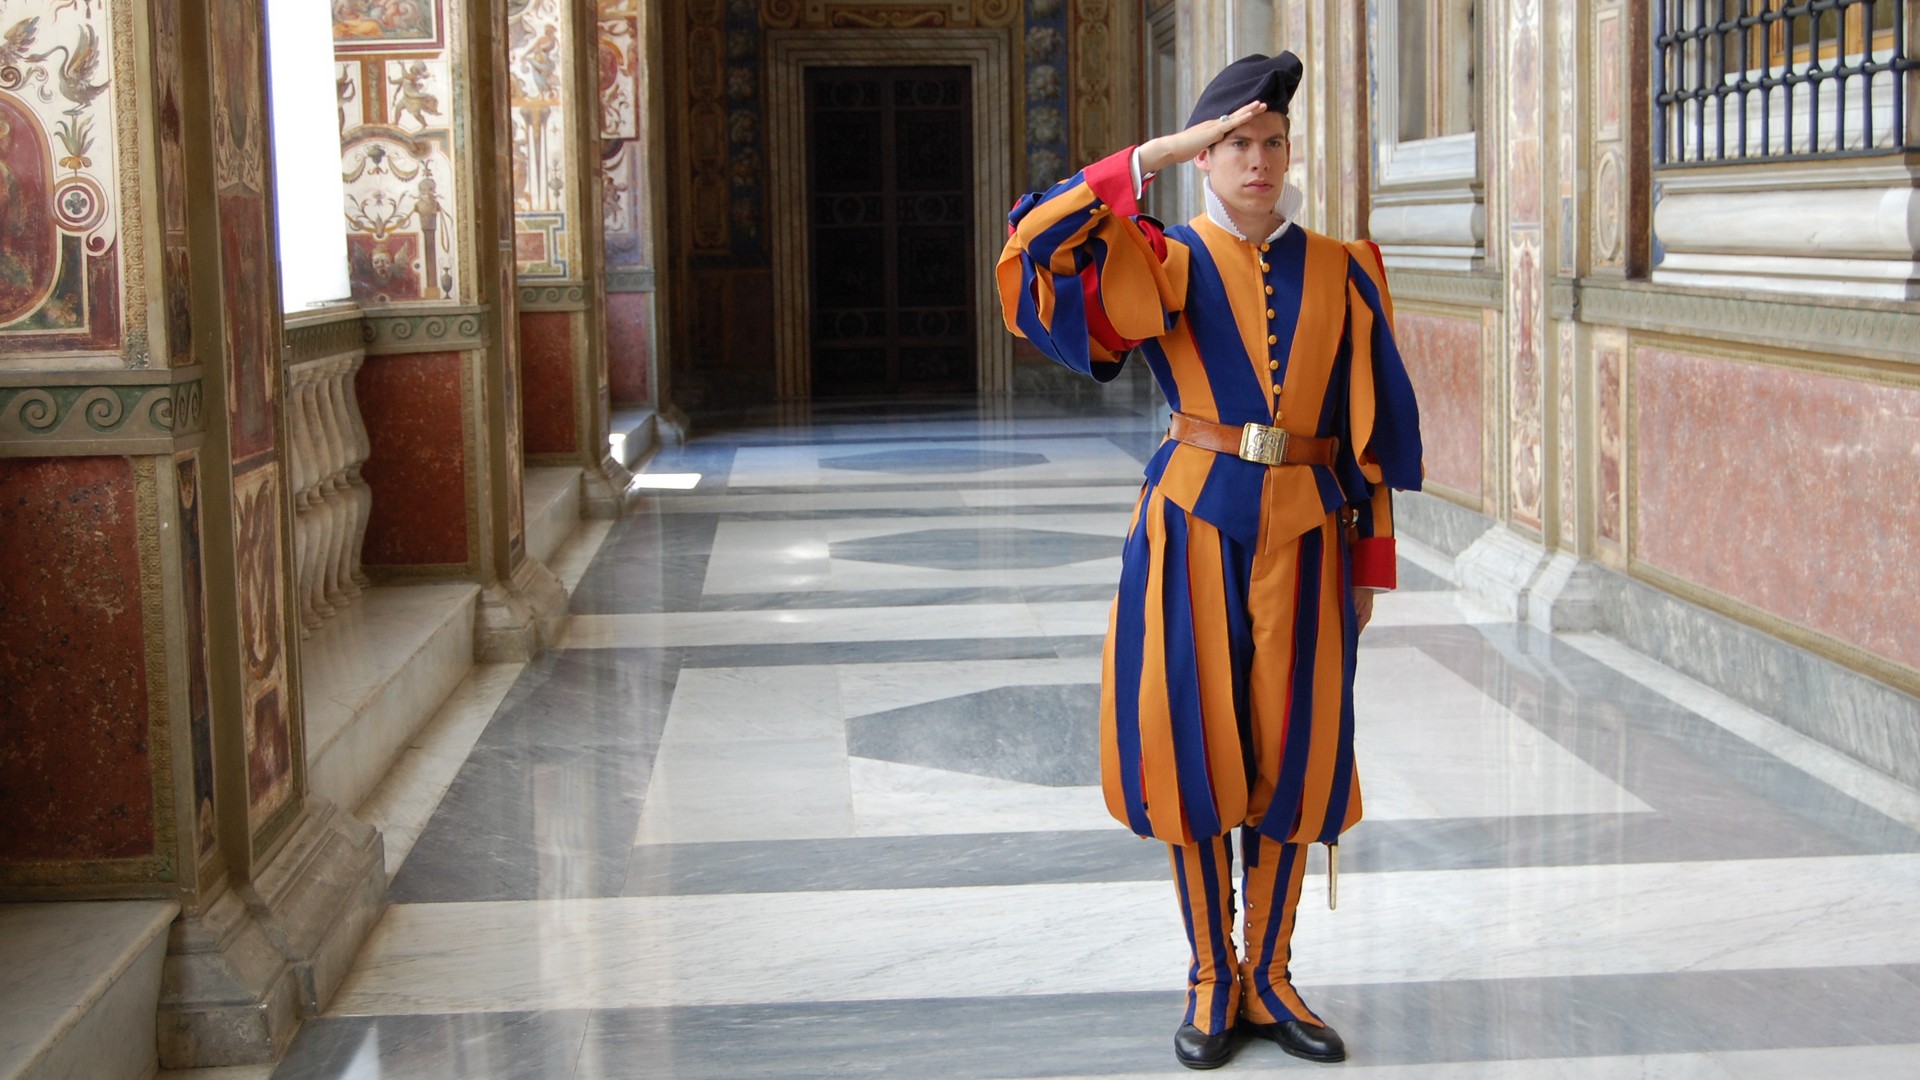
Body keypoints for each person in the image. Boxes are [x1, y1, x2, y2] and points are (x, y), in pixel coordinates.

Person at [995, 52, 1422, 1069]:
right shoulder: (1162, 260)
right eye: (1236, 143)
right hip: (1190, 527)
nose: (1260, 161)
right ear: (1204, 155)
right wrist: (1156, 155)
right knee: (1192, 751)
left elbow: (1373, 440)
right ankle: (1210, 975)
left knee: (1296, 754)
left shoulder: (1347, 269)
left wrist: (1368, 570)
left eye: (1274, 142)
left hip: (1313, 534)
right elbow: (1030, 245)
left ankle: (1271, 972)